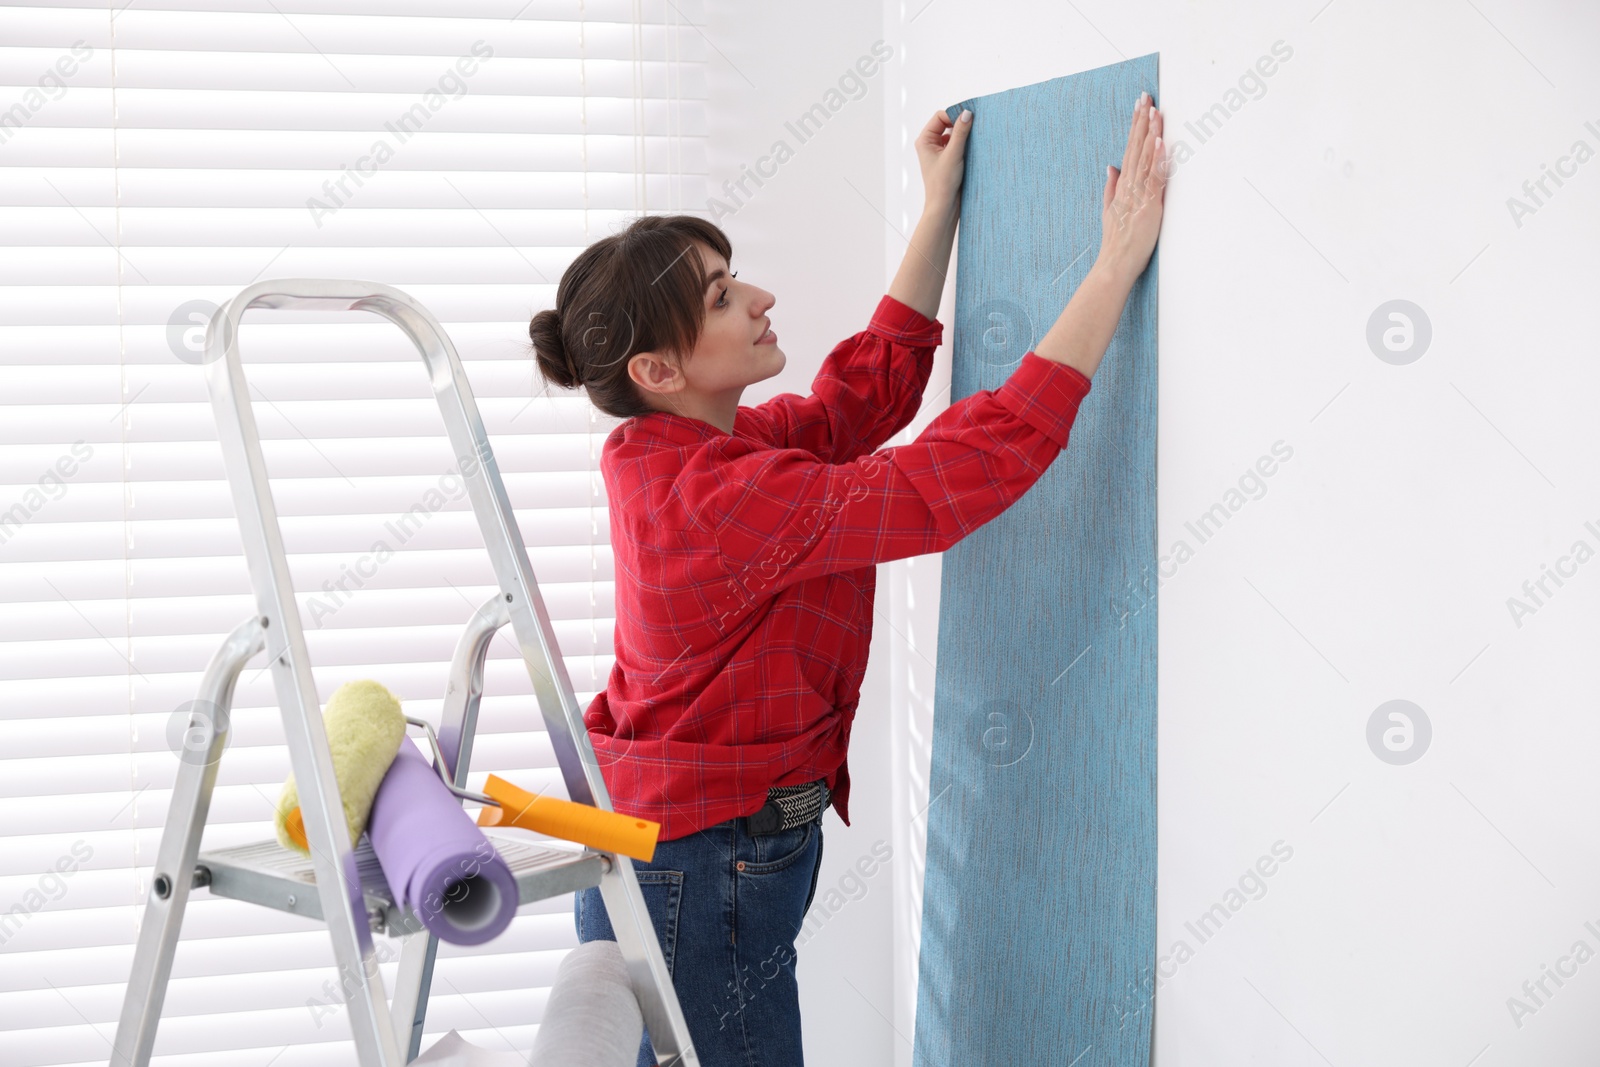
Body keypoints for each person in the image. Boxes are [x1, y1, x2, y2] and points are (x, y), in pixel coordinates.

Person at [527, 93, 1167, 1067]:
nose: (759, 297)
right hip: (697, 865)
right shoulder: (719, 501)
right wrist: (1114, 265)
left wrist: (937, 205)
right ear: (658, 367)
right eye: (720, 297)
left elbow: (853, 398)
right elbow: (958, 473)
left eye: (733, 278)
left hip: (668, 844)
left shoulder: (682, 452)